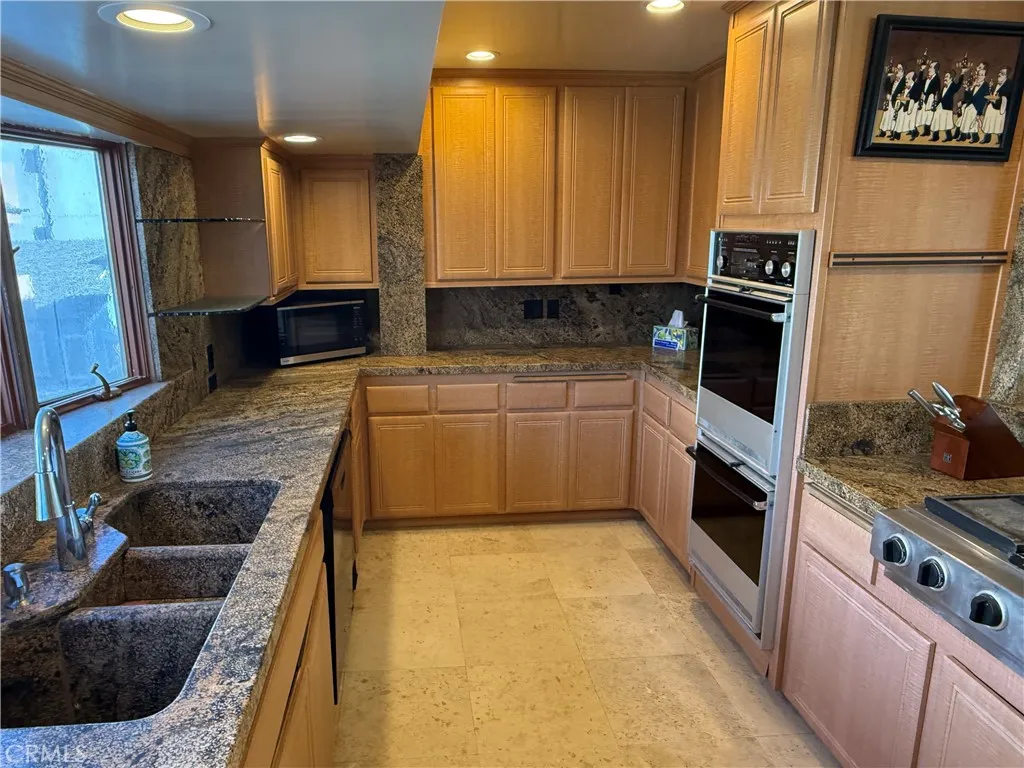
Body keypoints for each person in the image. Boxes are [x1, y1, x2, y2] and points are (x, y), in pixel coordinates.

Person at [958, 63, 990, 142]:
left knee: (973, 123)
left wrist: (979, 112)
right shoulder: (973, 83)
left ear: (985, 76)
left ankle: (973, 137)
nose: (980, 76)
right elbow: (968, 97)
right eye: (979, 74)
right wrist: (971, 87)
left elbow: (984, 101)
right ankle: (963, 135)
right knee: (966, 120)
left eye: (982, 75)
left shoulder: (985, 86)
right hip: (970, 105)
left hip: (977, 107)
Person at [981, 67, 1012, 145]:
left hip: (999, 108)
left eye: (1002, 73)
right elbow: (992, 93)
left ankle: (1001, 140)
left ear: (1006, 75)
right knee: (988, 122)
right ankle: (986, 138)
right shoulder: (996, 83)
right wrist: (990, 88)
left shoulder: (1009, 84)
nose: (999, 74)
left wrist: (996, 100)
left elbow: (1006, 97)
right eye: (999, 73)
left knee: (999, 125)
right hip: (992, 106)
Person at [930, 71, 962, 142]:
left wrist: (962, 74)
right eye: (945, 77)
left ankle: (949, 137)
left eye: (947, 77)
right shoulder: (944, 86)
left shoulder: (952, 86)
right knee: (936, 120)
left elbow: (958, 85)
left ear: (951, 78)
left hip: (947, 108)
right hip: (940, 106)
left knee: (946, 123)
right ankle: (935, 136)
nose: (945, 78)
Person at [915, 60, 941, 138]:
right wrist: (922, 70)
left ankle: (927, 131)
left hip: (930, 101)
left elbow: (936, 92)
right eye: (929, 67)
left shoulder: (937, 79)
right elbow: (919, 83)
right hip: (924, 100)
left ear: (935, 70)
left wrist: (932, 99)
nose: (929, 69)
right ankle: (915, 130)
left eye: (931, 67)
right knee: (920, 116)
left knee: (929, 117)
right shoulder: (927, 78)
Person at [879, 63, 906, 138]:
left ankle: (892, 133)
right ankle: (883, 132)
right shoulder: (895, 79)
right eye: (897, 69)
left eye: (899, 69)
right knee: (886, 116)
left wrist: (894, 97)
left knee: (893, 118)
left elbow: (903, 93)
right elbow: (887, 87)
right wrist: (888, 76)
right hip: (890, 102)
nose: (897, 71)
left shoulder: (904, 81)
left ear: (903, 71)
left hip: (897, 103)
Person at [893, 70, 919, 139]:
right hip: (903, 106)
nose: (906, 80)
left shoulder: (916, 87)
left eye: (909, 78)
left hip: (912, 107)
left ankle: (914, 133)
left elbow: (915, 97)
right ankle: (896, 135)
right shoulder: (905, 86)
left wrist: (905, 99)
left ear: (913, 80)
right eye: (906, 78)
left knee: (911, 121)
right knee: (900, 119)